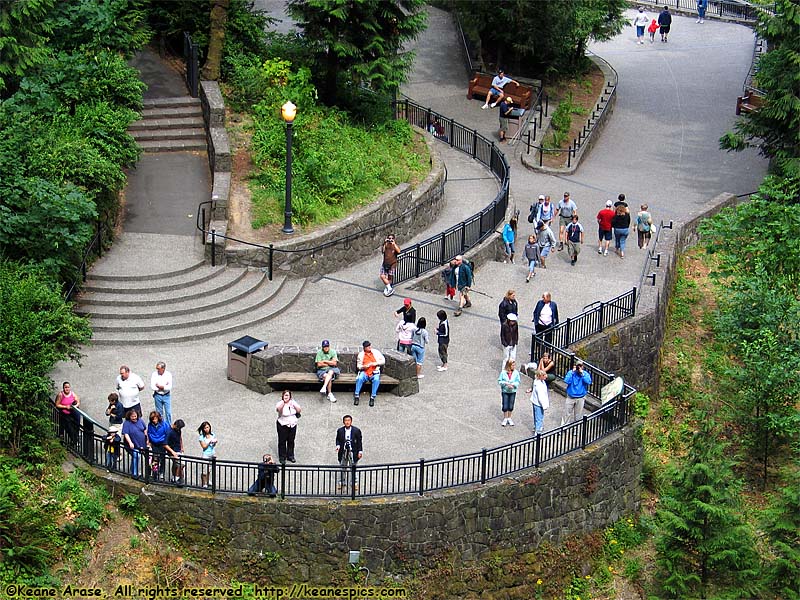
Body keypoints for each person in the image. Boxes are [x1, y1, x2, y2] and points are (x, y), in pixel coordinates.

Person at [335, 415, 363, 491]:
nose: (347, 422)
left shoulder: (356, 430)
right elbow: (337, 439)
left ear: (351, 421)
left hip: (352, 451)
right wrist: (338, 446)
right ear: (343, 422)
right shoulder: (340, 430)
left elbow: (359, 442)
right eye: (346, 420)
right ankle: (341, 482)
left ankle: (354, 483)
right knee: (342, 467)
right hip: (343, 451)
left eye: (349, 420)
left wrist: (360, 451)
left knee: (353, 467)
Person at [354, 341, 385, 407]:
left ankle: (372, 397)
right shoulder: (361, 355)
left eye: (370, 346)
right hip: (365, 372)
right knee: (360, 378)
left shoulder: (376, 352)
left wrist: (375, 363)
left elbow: (383, 361)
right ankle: (356, 395)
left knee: (376, 380)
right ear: (364, 348)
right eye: (368, 347)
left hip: (374, 372)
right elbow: (358, 366)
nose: (369, 347)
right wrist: (363, 367)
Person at [563, 360, 592, 425]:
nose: (579, 368)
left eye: (580, 366)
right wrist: (572, 372)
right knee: (567, 414)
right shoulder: (571, 373)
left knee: (578, 416)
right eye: (578, 366)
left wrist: (582, 374)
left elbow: (588, 382)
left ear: (583, 367)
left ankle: (575, 429)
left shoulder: (585, 374)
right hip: (571, 397)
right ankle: (564, 427)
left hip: (580, 398)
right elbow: (566, 381)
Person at [275, 390, 300, 464]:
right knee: (282, 441)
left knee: (291, 441)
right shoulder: (280, 403)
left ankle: (290, 456)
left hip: (292, 425)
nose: (286, 397)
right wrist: (283, 402)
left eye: (288, 395)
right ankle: (282, 457)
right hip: (283, 425)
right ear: (282, 396)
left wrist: (293, 404)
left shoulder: (293, 402)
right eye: (285, 395)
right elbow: (279, 410)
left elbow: (299, 410)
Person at [122, 410, 147, 479]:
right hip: (132, 444)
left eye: (135, 416)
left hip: (142, 444)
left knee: (145, 457)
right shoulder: (127, 423)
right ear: (129, 416)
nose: (134, 418)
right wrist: (130, 442)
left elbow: (144, 429)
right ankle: (134, 473)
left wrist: (147, 439)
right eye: (132, 416)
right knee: (136, 455)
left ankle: (132, 471)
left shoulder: (140, 421)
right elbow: (126, 434)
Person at [146, 410, 170, 481]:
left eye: (155, 418)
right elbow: (149, 433)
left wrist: (165, 443)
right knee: (155, 459)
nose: (154, 420)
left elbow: (167, 434)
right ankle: (155, 473)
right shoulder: (150, 425)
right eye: (153, 419)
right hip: (154, 444)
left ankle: (161, 472)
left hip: (162, 444)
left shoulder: (164, 424)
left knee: (162, 458)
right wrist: (149, 441)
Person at [497, 359, 520, 427]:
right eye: (512, 365)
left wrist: (513, 385)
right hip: (505, 391)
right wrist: (506, 384)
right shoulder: (503, 372)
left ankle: (509, 417)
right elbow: (500, 381)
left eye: (514, 365)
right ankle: (505, 418)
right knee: (505, 405)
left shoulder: (516, 373)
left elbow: (518, 381)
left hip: (512, 391)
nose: (514, 366)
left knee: (511, 405)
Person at [150, 361, 173, 425]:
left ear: (163, 369)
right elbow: (152, 386)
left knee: (168, 412)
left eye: (158, 369)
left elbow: (169, 387)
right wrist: (163, 386)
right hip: (157, 395)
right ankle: (161, 424)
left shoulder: (168, 375)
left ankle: (168, 425)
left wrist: (161, 386)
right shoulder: (154, 374)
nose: (157, 370)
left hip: (166, 395)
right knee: (159, 412)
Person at [529, 369, 550, 434]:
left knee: (537, 417)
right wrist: (544, 405)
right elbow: (540, 397)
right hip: (538, 403)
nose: (546, 376)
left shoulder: (538, 381)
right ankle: (537, 432)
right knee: (539, 418)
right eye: (544, 375)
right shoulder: (539, 385)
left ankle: (536, 427)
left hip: (536, 402)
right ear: (540, 376)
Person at [197, 421, 217, 488]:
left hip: (212, 453)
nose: (207, 429)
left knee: (209, 469)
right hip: (206, 454)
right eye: (205, 428)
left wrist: (214, 442)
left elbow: (213, 445)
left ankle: (208, 480)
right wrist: (209, 442)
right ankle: (204, 483)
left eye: (208, 427)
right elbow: (204, 446)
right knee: (204, 470)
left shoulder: (213, 435)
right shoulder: (201, 437)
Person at [165, 419, 185, 485]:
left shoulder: (178, 430)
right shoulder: (169, 431)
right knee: (180, 464)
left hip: (178, 450)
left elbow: (180, 438)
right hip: (172, 450)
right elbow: (165, 444)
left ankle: (176, 477)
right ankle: (176, 478)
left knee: (178, 465)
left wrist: (182, 447)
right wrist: (172, 452)